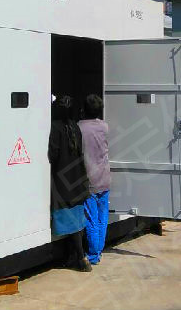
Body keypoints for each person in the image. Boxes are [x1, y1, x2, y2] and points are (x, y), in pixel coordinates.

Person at [48, 95, 92, 272]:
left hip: (63, 179)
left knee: (70, 219)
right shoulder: (75, 126)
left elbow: (53, 154)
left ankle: (81, 258)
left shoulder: (55, 127)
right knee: (77, 218)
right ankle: (71, 256)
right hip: (77, 177)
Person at [78, 94, 111, 265]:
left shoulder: (79, 128)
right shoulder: (104, 126)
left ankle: (93, 254)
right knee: (102, 217)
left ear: (83, 109)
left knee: (91, 219)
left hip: (89, 181)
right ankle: (98, 250)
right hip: (104, 178)